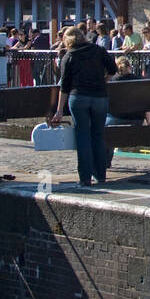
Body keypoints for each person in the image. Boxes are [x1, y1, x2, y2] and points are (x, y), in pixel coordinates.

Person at [50, 26, 117, 186]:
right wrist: (103, 81)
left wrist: (59, 111)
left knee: (83, 136)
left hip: (78, 97)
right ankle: (100, 175)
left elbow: (64, 86)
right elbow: (113, 69)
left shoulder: (69, 55)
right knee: (98, 135)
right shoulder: (98, 50)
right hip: (99, 97)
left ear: (67, 41)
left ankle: (85, 178)